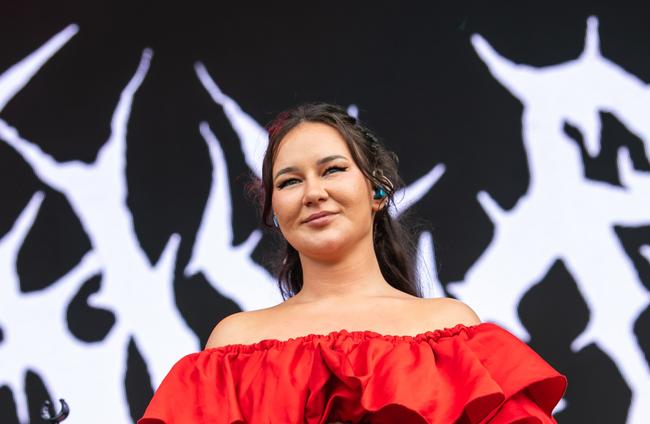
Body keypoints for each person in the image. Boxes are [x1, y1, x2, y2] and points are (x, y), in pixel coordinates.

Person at [139, 103, 568, 423]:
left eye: (332, 170)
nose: (313, 193)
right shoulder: (233, 344)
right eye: (289, 181)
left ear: (378, 193)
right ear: (274, 211)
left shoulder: (450, 332)